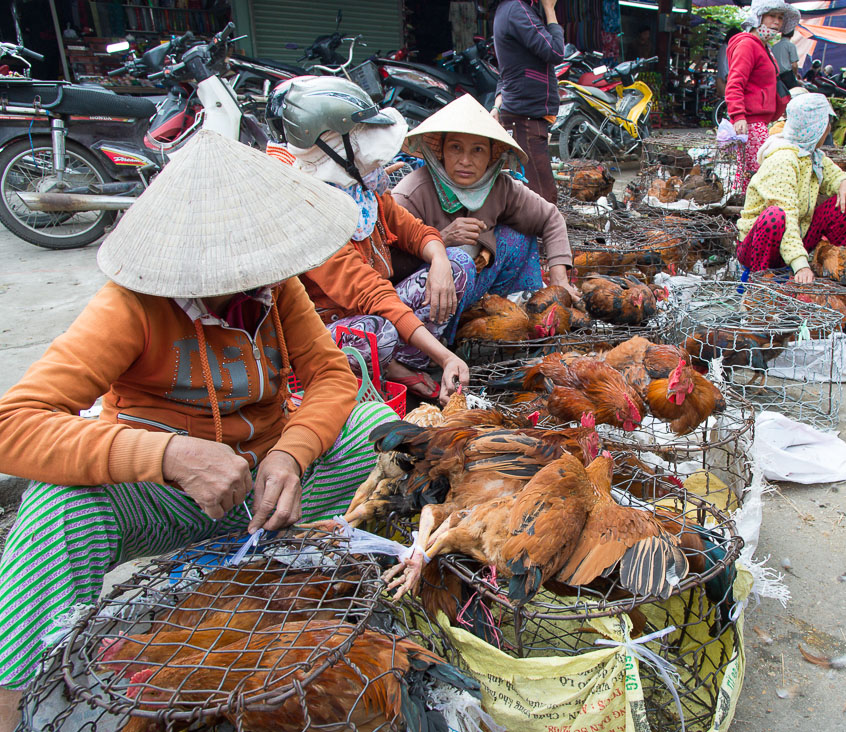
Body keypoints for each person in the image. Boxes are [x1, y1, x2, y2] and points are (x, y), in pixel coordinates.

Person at [0, 131, 400, 729]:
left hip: (265, 491)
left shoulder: (276, 288)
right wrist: (168, 455)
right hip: (165, 495)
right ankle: (19, 702)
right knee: (58, 508)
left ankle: (281, 569)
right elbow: (14, 425)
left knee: (376, 428)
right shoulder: (130, 305)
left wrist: (290, 455)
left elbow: (331, 377)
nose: (253, 273)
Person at [267, 77, 472, 401]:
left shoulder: (362, 194)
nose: (379, 166)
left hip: (380, 313)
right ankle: (400, 374)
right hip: (328, 332)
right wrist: (444, 356)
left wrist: (441, 260)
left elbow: (415, 231)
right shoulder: (309, 212)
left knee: (458, 264)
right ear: (336, 150)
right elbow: (371, 293)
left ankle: (402, 363)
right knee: (379, 331)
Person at [392, 95, 578, 326]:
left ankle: (514, 322)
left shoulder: (500, 186)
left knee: (519, 235)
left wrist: (559, 280)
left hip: (471, 287)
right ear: (441, 151)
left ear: (492, 156)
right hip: (414, 304)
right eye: (455, 148)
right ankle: (433, 347)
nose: (466, 161)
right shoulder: (411, 194)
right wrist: (441, 240)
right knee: (457, 260)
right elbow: (386, 265)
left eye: (477, 150)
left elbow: (550, 217)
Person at [735, 92, 846, 284]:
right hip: (760, 246)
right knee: (775, 216)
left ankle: (838, 270)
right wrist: (800, 264)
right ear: (816, 128)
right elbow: (787, 215)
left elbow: (835, 176)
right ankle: (760, 283)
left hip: (796, 238)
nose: (828, 129)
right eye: (826, 123)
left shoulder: (812, 155)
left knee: (841, 203)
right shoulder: (782, 159)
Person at [491, 0, 565, 204]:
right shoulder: (517, 9)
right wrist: (550, 9)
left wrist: (497, 105)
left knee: (527, 194)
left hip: (522, 116)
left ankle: (531, 236)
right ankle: (542, 236)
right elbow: (556, 51)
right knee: (544, 199)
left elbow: (507, 72)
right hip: (525, 119)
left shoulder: (509, 10)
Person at [725, 0, 799, 194]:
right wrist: (738, 115)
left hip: (760, 122)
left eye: (780, 18)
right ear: (759, 18)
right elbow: (735, 82)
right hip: (750, 122)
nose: (776, 22)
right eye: (772, 16)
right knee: (756, 177)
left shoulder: (764, 47)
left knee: (752, 177)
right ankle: (744, 219)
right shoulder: (748, 45)